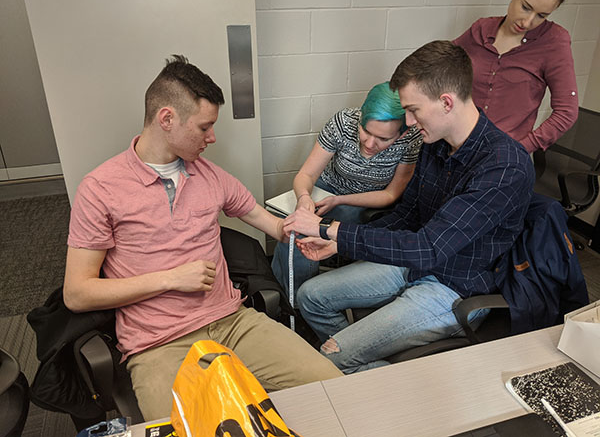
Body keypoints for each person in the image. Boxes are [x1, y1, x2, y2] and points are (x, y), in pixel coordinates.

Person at [63, 55, 342, 420]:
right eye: (205, 127)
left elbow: (271, 224)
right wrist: (169, 279)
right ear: (167, 119)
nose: (212, 138)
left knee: (334, 389)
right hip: (159, 345)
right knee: (189, 429)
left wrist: (298, 231)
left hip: (234, 323)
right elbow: (77, 293)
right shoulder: (101, 189)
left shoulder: (210, 175)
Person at [282, 41, 535, 374]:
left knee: (333, 355)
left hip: (453, 288)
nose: (410, 122)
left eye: (414, 110)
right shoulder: (436, 143)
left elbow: (428, 247)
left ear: (446, 102)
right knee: (311, 297)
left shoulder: (503, 167)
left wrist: (330, 229)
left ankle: (361, 370)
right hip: (413, 262)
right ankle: (368, 368)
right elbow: (406, 216)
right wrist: (337, 243)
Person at [271, 81, 422, 294]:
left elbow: (391, 194)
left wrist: (339, 200)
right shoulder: (344, 122)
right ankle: (283, 295)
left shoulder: (413, 139)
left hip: (369, 202)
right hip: (327, 189)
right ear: (360, 118)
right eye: (366, 131)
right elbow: (306, 174)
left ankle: (302, 301)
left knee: (309, 235)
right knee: (292, 229)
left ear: (402, 134)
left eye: (383, 139)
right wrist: (304, 197)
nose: (370, 144)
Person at [454, 0, 577, 153]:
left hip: (502, 157)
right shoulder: (482, 29)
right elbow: (439, 64)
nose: (527, 22)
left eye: (541, 15)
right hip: (456, 147)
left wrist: (519, 149)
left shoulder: (554, 41)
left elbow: (566, 112)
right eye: (526, 7)